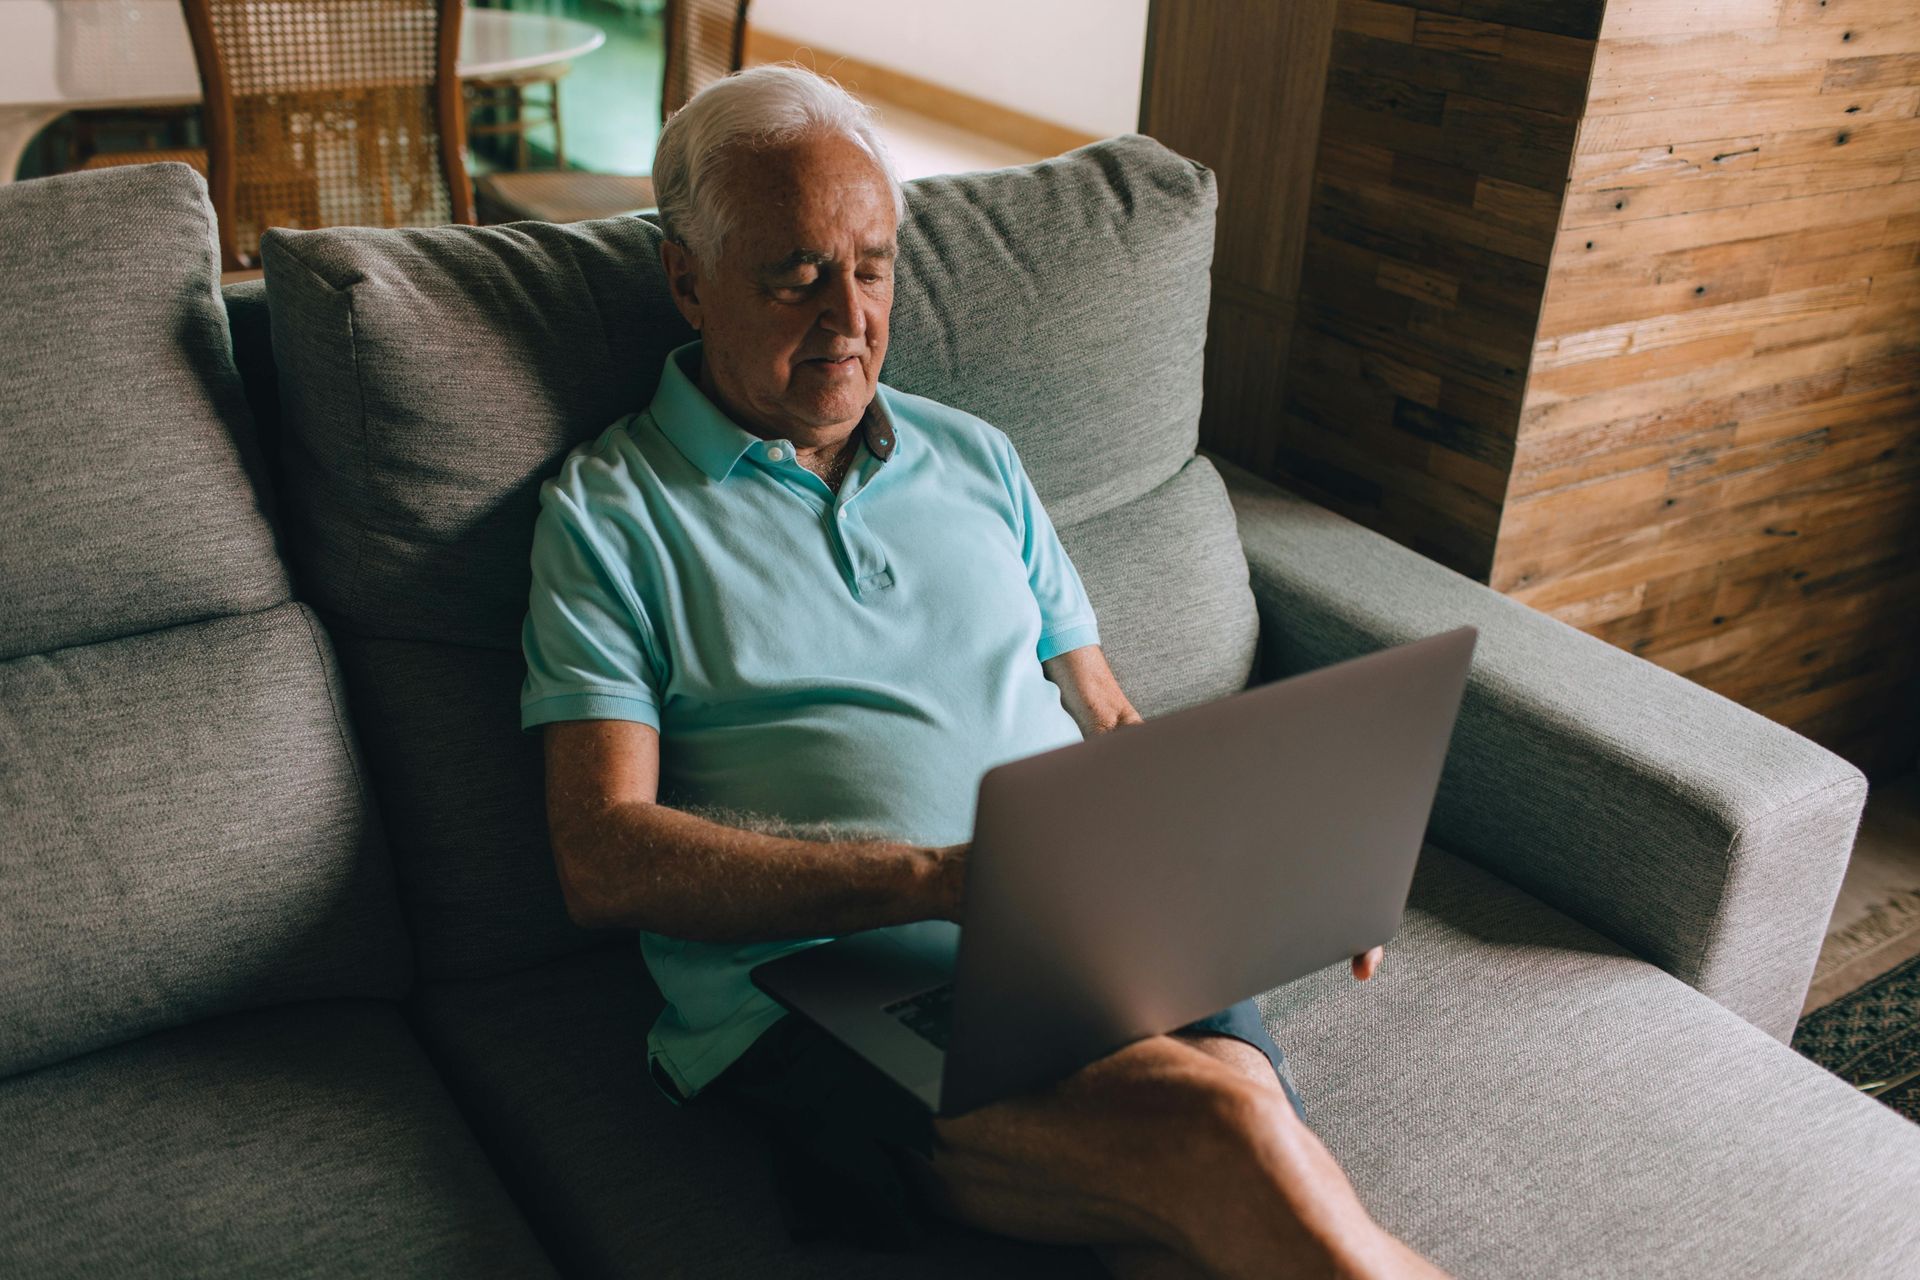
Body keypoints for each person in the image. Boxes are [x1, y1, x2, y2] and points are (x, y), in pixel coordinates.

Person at [520, 63, 1447, 1280]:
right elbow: (601, 855)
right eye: (795, 273)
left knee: (1216, 1191)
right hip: (821, 995)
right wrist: (945, 879)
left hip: (1087, 941)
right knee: (1227, 1125)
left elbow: (1106, 711)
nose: (849, 319)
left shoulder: (978, 458)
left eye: (872, 266)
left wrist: (1277, 870)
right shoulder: (607, 514)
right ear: (686, 277)